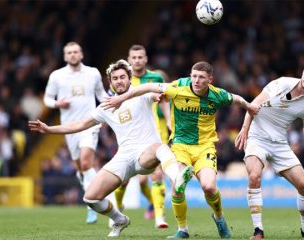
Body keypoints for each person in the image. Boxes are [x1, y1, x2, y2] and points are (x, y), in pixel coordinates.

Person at [29, 59, 193, 238]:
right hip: (124, 156)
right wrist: (49, 129)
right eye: (115, 78)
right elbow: (80, 123)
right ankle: (119, 219)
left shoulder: (141, 94)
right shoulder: (105, 107)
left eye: (123, 77)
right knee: (90, 198)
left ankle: (178, 178)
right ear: (110, 82)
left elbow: (159, 93)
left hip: (146, 153)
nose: (119, 81)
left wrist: (160, 97)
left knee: (159, 146)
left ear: (130, 79)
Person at [101, 61, 259, 239]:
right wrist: (121, 98)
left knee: (209, 187)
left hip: (204, 147)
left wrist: (249, 107)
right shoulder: (178, 87)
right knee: (177, 187)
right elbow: (147, 87)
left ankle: (219, 217)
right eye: (194, 76)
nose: (196, 80)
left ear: (210, 80)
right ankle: (183, 230)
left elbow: (236, 99)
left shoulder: (218, 95)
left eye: (201, 77)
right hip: (179, 145)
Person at [235, 59, 304, 238]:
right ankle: (258, 230)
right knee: (255, 176)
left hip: (279, 143)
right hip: (257, 137)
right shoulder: (281, 83)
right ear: (303, 71)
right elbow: (253, 105)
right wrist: (244, 129)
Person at [43, 42, 108, 224]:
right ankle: (92, 200)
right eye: (69, 52)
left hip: (89, 124)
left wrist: (113, 103)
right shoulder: (57, 76)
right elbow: (47, 98)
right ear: (65, 56)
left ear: (81, 54)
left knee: (87, 163)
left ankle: (97, 201)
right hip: (69, 127)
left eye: (75, 52)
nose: (72, 55)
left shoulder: (93, 73)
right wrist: (57, 104)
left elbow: (101, 95)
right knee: (80, 169)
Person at [112, 45, 172, 228]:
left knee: (156, 175)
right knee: (125, 179)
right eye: (134, 57)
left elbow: (165, 100)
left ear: (146, 59)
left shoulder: (156, 78)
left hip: (155, 134)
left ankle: (159, 217)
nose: (137, 60)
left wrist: (169, 121)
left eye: (140, 57)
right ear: (129, 60)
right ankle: (119, 207)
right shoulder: (122, 81)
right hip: (129, 136)